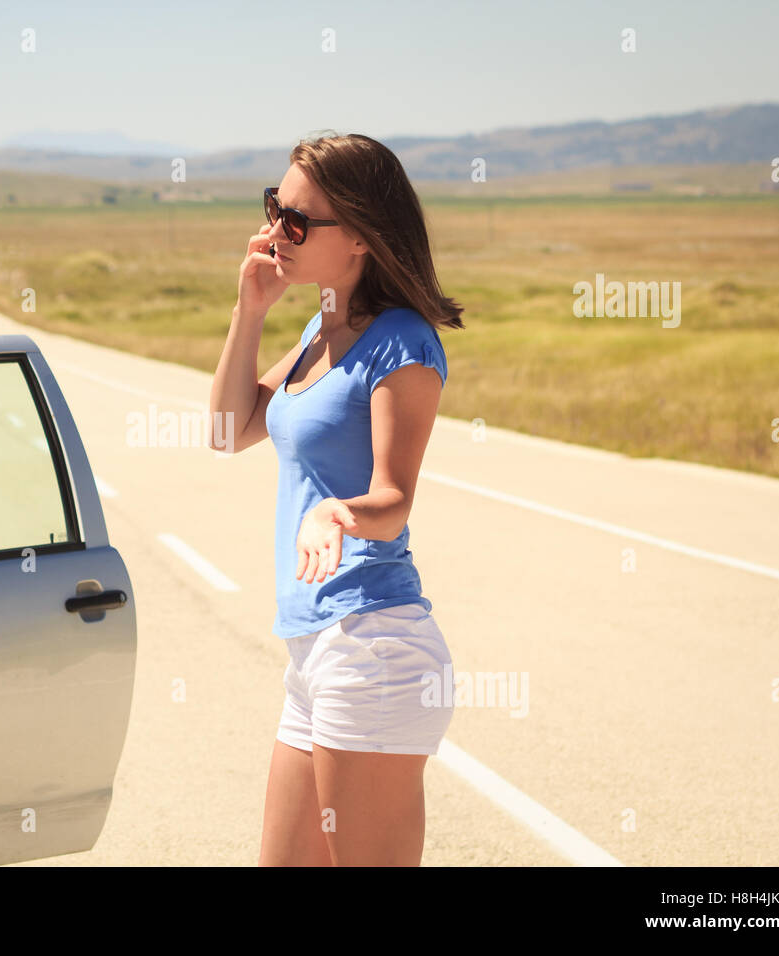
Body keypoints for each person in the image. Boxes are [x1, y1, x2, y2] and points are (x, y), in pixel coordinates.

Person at [208, 132, 466, 866]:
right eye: (272, 209)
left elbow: (394, 496)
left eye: (297, 220)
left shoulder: (400, 343)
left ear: (358, 235)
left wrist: (337, 511)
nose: (273, 233)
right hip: (315, 650)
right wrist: (249, 310)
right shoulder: (320, 334)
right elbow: (227, 432)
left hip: (375, 648)